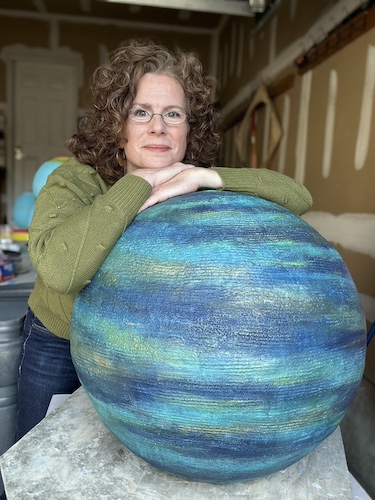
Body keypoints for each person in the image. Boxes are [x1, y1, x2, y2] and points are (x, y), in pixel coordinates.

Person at [15, 39, 313, 441]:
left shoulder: (190, 182)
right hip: (60, 342)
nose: (159, 127)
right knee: (40, 461)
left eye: (173, 114)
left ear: (190, 128)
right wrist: (137, 183)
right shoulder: (75, 180)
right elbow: (61, 270)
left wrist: (209, 177)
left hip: (141, 347)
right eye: (141, 113)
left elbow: (298, 197)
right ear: (117, 125)